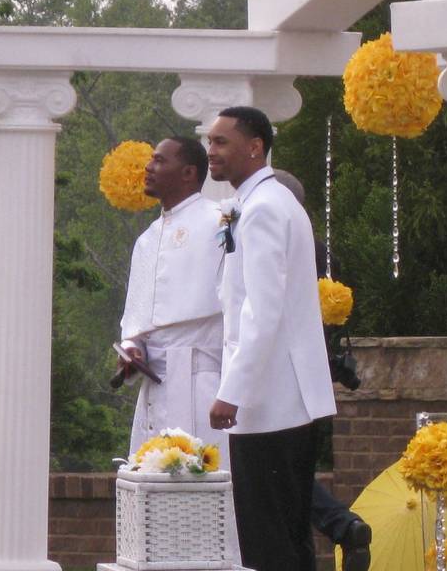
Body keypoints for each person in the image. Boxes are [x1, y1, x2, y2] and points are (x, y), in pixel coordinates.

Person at [207, 106, 337, 571]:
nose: (211, 150)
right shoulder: (272, 202)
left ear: (255, 146)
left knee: (268, 539)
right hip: (286, 398)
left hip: (270, 400)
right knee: (288, 532)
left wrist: (231, 392)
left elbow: (261, 311)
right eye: (210, 140)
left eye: (222, 141)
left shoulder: (263, 209)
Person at [274, 168, 372, 571]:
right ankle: (340, 525)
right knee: (289, 471)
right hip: (311, 375)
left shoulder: (282, 247)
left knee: (276, 473)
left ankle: (336, 525)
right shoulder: (318, 250)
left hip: (279, 375)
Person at [118, 136, 227, 458]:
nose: (149, 167)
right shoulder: (147, 239)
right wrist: (131, 350)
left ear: (188, 173)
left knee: (207, 476)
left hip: (203, 381)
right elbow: (135, 326)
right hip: (155, 387)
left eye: (160, 160)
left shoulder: (219, 221)